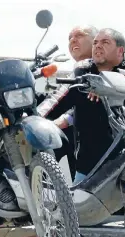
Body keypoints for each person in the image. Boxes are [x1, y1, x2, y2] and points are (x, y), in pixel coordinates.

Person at [39, 28, 125, 185]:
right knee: (79, 203)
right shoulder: (83, 73)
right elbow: (56, 100)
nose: (98, 46)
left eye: (105, 42)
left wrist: (107, 81)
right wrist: (33, 119)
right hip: (94, 164)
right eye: (95, 43)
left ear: (120, 51)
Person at [37, 25, 99, 181]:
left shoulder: (108, 67)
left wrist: (64, 119)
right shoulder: (75, 72)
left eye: (79, 35)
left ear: (95, 42)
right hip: (79, 144)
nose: (73, 40)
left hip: (103, 149)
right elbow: (57, 98)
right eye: (70, 37)